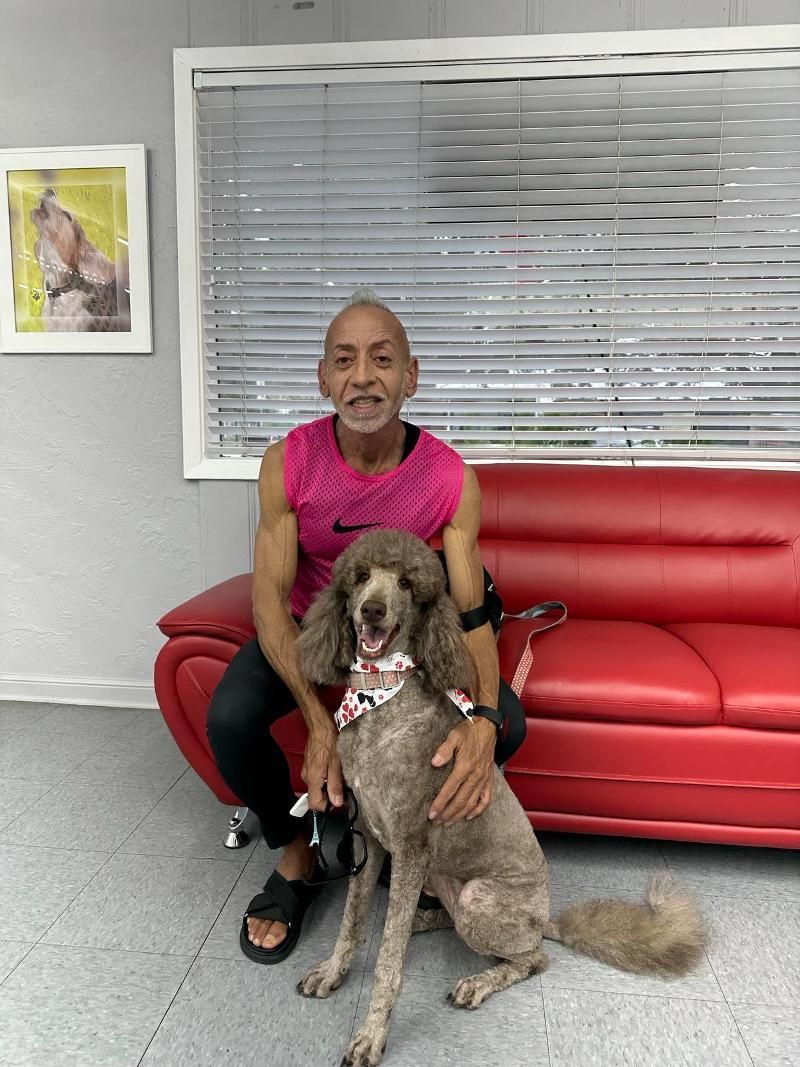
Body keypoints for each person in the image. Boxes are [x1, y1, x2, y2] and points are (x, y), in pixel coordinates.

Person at [207, 288, 522, 964]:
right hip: (321, 628)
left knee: (510, 724)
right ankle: (300, 850)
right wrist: (319, 724)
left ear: (410, 376)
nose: (363, 377)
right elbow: (269, 600)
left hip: (405, 642)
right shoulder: (286, 462)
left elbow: (468, 611)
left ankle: (421, 846)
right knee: (230, 717)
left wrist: (486, 717)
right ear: (324, 378)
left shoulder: (448, 476)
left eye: (383, 359)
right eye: (345, 360)